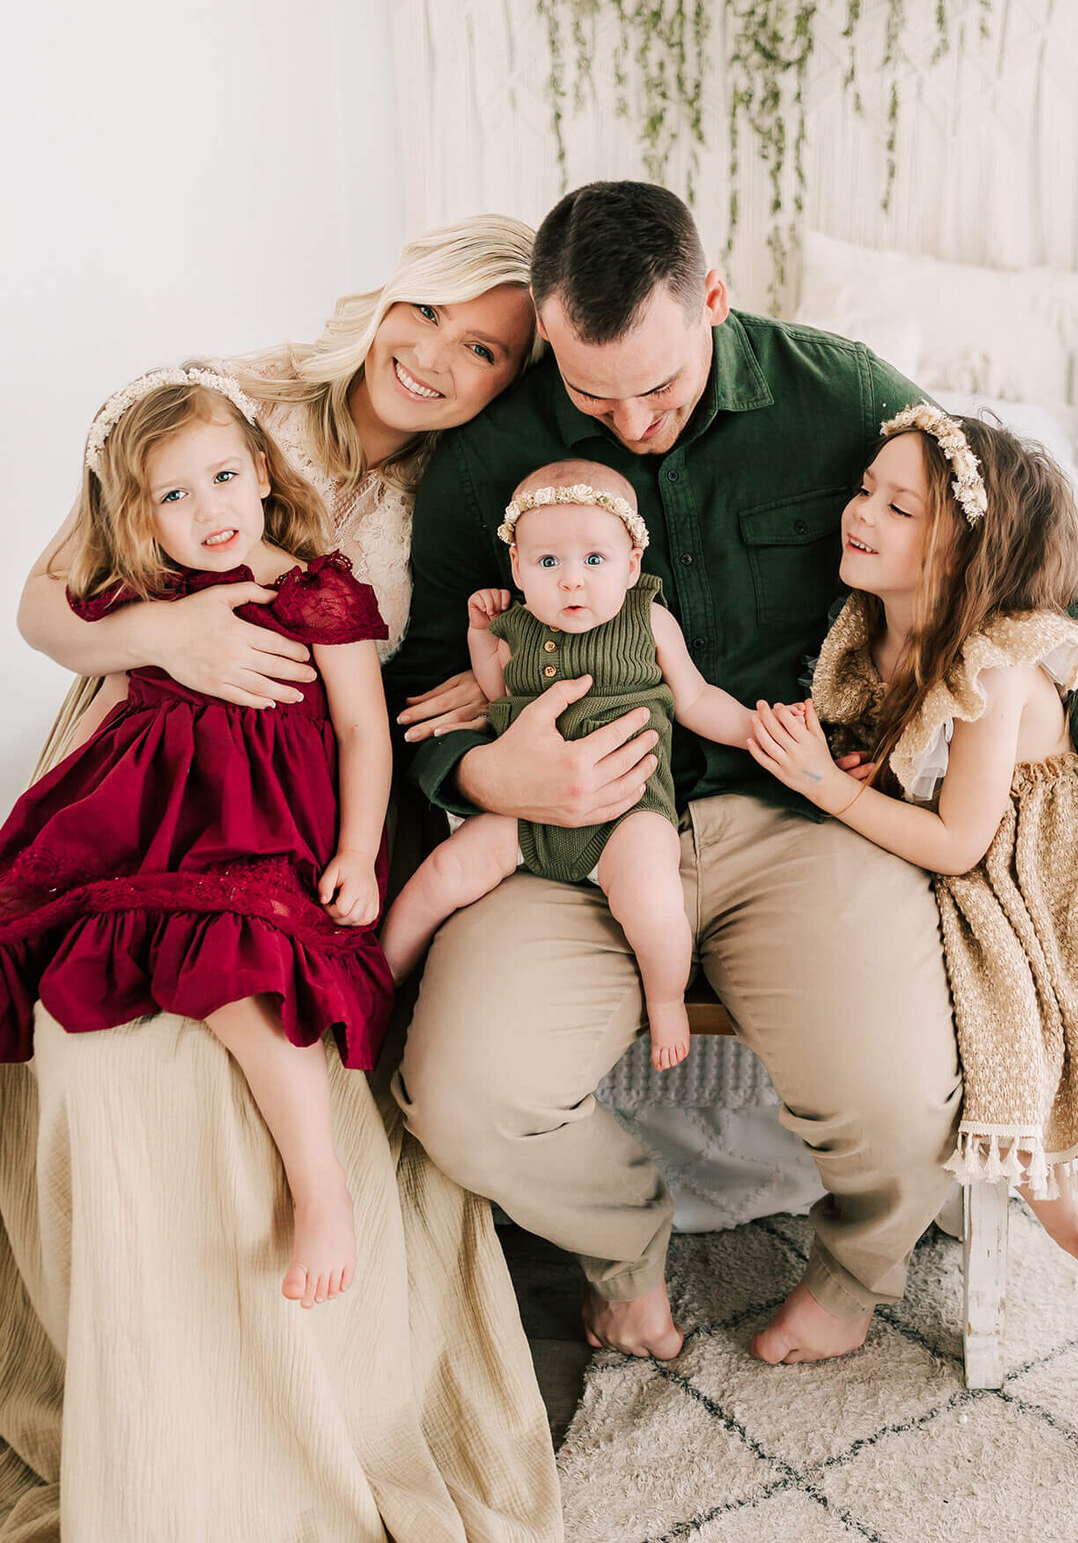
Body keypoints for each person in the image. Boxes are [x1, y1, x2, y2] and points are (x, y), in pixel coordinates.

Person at [389, 179, 1078, 1370]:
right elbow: (420, 671)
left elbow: (1036, 572)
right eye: (589, 391)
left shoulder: (839, 395)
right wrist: (496, 770)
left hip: (801, 812)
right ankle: (627, 1253)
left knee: (910, 1101)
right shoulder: (494, 449)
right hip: (571, 827)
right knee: (459, 1096)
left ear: (714, 298)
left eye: (657, 387)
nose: (630, 425)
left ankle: (854, 1270)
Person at [2, 219, 563, 1543]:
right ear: (387, 297)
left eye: (481, 348)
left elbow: (391, 704)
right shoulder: (233, 404)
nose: (433, 356)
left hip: (292, 805)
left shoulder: (472, 492)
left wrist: (484, 706)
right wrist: (168, 627)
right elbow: (42, 601)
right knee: (89, 1040)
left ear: (505, 379)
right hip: (137, 771)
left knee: (237, 998)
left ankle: (281, 1374)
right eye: (425, 313)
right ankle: (138, 1392)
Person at [747, 405, 1078, 1466]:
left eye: (899, 508)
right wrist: (862, 771)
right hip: (998, 906)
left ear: (962, 556)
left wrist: (827, 789)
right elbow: (921, 773)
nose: (859, 512)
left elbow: (956, 838)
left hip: (1068, 897)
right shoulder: (878, 639)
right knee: (1030, 1157)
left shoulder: (996, 664)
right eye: (866, 489)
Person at [1, 367, 397, 1309]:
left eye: (223, 477)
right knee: (30, 919)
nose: (207, 508)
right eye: (172, 495)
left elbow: (360, 731)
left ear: (262, 470)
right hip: (150, 813)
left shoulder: (317, 593)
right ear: (141, 515)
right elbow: (75, 652)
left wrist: (355, 851)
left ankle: (321, 1186)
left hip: (267, 822)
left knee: (231, 965)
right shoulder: (147, 595)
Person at [383, 459, 754, 1069]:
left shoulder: (648, 619)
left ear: (632, 564)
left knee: (653, 902)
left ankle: (666, 1000)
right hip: (528, 810)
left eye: (595, 561)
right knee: (444, 872)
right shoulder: (517, 626)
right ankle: (381, 973)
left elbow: (696, 700)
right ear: (518, 569)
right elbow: (500, 694)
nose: (572, 582)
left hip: (629, 812)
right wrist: (481, 635)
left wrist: (755, 730)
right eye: (548, 563)